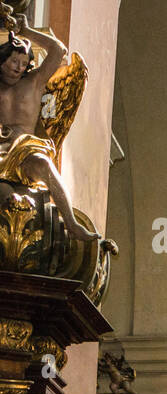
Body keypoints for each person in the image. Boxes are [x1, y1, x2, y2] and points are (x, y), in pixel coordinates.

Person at [0, 16, 96, 242]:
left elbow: (58, 50)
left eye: (23, 63)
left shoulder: (34, 81)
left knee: (44, 164)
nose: (18, 68)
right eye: (14, 61)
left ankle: (71, 223)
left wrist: (27, 31)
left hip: (24, 148)